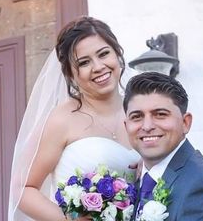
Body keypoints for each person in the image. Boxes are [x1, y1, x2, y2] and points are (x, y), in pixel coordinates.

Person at [8, 16, 139, 221]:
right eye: (84, 62)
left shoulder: (139, 112)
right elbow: (23, 188)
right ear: (71, 75)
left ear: (117, 54)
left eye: (104, 54)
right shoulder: (62, 120)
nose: (98, 67)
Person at [123, 72, 203, 221]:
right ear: (126, 126)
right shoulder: (131, 182)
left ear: (185, 123)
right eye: (137, 117)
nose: (147, 126)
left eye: (160, 114)